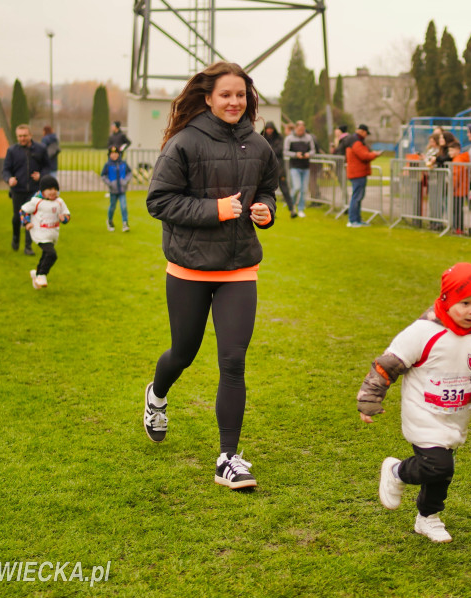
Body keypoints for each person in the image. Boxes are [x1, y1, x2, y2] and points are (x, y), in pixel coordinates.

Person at [143, 61, 279, 490]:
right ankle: (157, 395)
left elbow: (269, 190)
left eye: (241, 94)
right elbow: (159, 201)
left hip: (239, 268)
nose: (235, 102)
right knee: (183, 353)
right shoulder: (183, 143)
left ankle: (228, 458)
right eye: (226, 95)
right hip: (189, 268)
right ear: (208, 98)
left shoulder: (260, 146)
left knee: (233, 360)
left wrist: (266, 211)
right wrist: (214, 210)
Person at [357, 262, 471, 543]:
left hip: (454, 417)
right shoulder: (423, 332)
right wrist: (369, 399)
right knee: (439, 465)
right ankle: (396, 471)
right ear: (447, 300)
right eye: (465, 303)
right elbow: (388, 365)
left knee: (440, 474)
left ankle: (428, 518)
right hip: (422, 413)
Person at [3, 124, 49, 255]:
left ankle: (28, 246)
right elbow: (6, 170)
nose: (22, 138)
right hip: (17, 189)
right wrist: (9, 179)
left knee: (31, 217)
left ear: (30, 135)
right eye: (19, 136)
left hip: (34, 190)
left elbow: (47, 167)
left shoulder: (40, 149)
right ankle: (16, 238)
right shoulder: (12, 151)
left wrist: (41, 176)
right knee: (17, 217)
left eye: (24, 136)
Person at [19, 176, 71, 289]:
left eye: (54, 189)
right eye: (49, 189)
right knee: (52, 254)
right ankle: (42, 274)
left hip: (52, 234)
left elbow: (67, 214)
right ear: (42, 191)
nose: (52, 191)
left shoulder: (59, 202)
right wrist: (26, 223)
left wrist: (64, 219)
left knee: (46, 254)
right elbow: (23, 210)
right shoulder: (37, 202)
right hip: (40, 233)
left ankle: (36, 274)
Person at [345, 124, 381, 228]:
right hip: (357, 173)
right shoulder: (356, 142)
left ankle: (357, 219)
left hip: (357, 172)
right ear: (362, 131)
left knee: (358, 197)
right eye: (366, 133)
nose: (366, 135)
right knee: (356, 197)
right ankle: (352, 220)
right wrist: (375, 154)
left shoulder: (355, 140)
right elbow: (364, 155)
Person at [261, 121, 297, 219]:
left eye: (271, 129)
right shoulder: (262, 137)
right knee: (267, 192)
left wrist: (269, 150)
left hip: (279, 168)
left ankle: (292, 209)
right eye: (267, 129)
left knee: (285, 190)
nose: (269, 131)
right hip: (265, 170)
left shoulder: (280, 138)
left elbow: (278, 150)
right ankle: (270, 211)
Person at [283, 120, 317, 218]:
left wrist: (308, 154)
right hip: (294, 166)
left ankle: (301, 209)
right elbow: (285, 152)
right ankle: (292, 205)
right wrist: (295, 154)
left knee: (304, 189)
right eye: (299, 129)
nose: (301, 131)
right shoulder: (289, 138)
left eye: (303, 130)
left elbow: (313, 150)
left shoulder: (308, 138)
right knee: (297, 187)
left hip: (306, 167)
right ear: (296, 128)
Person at [100, 146, 132, 232]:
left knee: (123, 206)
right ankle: (110, 221)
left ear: (119, 154)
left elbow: (129, 173)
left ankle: (125, 223)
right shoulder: (108, 165)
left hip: (122, 190)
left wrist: (125, 181)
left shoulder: (123, 163)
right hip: (113, 190)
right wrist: (110, 183)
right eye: (112, 154)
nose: (114, 155)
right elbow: (103, 176)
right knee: (112, 206)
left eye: (116, 153)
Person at [447, 141, 470, 234]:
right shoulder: (457, 159)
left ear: (458, 150)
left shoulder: (458, 160)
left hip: (458, 189)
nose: (450, 153)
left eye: (452, 150)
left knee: (457, 210)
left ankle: (458, 228)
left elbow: (456, 176)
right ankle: (457, 227)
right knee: (457, 209)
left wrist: (452, 187)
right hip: (459, 189)